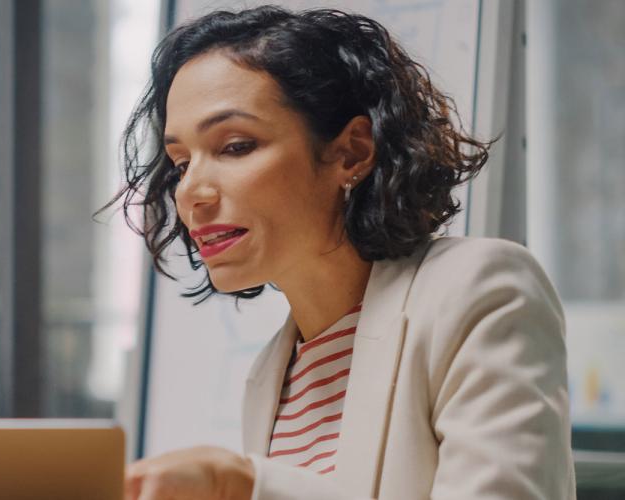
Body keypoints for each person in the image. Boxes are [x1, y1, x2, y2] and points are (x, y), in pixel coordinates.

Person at [112, 6, 573, 499]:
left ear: (351, 152)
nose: (190, 193)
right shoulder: (273, 371)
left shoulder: (482, 290)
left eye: (236, 146)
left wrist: (246, 484)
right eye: (182, 163)